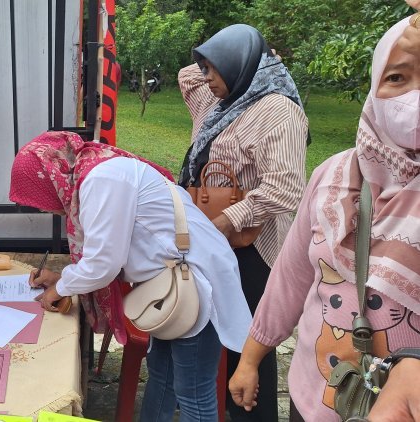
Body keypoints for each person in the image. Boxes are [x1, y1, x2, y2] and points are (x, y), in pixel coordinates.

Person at [228, 16, 420, 421]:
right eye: (398, 78)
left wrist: (232, 216)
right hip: (315, 400)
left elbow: (279, 184)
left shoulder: (279, 111)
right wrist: (250, 358)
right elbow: (292, 277)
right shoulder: (335, 177)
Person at [8, 131, 252, 421]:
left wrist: (59, 288)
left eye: (36, 197)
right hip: (170, 285)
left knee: (194, 393)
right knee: (162, 374)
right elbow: (108, 250)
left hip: (195, 285)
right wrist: (61, 278)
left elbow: (102, 264)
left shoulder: (102, 180)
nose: (41, 207)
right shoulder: (95, 172)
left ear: (47, 179)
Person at [176, 24, 310, 421]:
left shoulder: (279, 111)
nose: (205, 77)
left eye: (214, 69)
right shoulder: (218, 99)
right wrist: (221, 55)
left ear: (242, 66)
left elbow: (286, 188)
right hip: (214, 239)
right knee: (215, 330)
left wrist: (227, 220)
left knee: (250, 346)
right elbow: (187, 76)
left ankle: (255, 415)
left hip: (251, 251)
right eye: (207, 67)